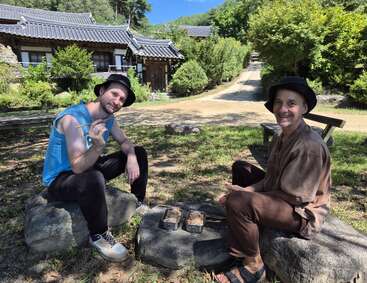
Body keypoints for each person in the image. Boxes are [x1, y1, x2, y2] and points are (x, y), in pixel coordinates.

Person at [215, 76, 331, 283]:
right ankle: (246, 233)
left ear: (304, 108)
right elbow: (271, 179)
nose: (282, 108)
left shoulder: (309, 146)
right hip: (283, 197)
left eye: (291, 103)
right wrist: (248, 189)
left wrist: (245, 195)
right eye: (278, 102)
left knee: (238, 202)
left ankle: (254, 266)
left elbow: (296, 197)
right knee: (241, 169)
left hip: (302, 213)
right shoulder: (280, 136)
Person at [42, 74, 148, 262]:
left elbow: (123, 141)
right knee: (93, 177)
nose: (117, 101)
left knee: (139, 153)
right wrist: (98, 146)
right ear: (101, 91)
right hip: (61, 179)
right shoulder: (72, 119)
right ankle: (98, 234)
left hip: (89, 166)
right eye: (114, 94)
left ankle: (138, 202)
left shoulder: (108, 118)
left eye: (122, 99)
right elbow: (77, 167)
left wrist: (131, 156)